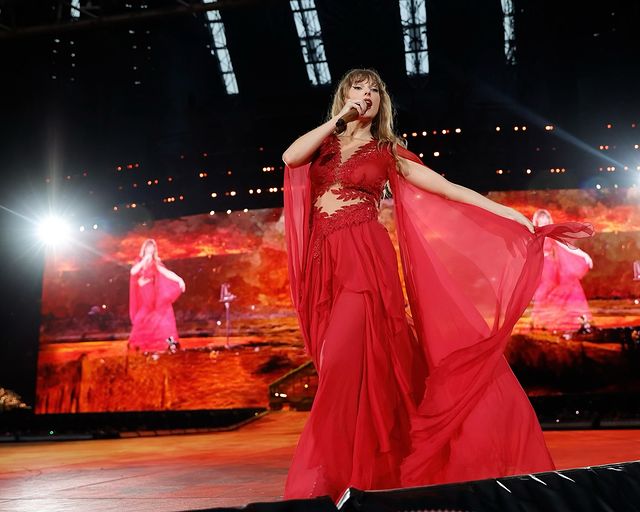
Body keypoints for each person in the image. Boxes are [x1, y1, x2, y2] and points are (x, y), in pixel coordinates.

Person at [281, 68, 593, 502]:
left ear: (381, 103)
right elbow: (290, 157)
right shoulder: (323, 145)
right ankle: (366, 477)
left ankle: (328, 481)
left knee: (342, 370)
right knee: (347, 368)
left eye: (374, 90)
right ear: (345, 95)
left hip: (365, 262)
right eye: (359, 88)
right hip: (322, 266)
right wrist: (337, 121)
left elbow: (447, 188)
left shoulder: (387, 151)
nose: (367, 95)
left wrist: (513, 216)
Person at [531, 209, 593, 333]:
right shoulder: (534, 235)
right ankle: (545, 324)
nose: (544, 222)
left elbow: (568, 247)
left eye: (546, 219)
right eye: (541, 220)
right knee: (546, 296)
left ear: (549, 220)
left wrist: (585, 255)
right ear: (537, 221)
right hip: (543, 270)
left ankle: (579, 321)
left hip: (554, 269)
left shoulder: (553, 234)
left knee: (571, 286)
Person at [129, 239, 186, 352]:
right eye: (148, 248)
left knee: (164, 319)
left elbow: (166, 272)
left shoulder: (155, 263)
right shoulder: (139, 261)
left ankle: (171, 342)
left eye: (152, 248)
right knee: (141, 319)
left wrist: (179, 280)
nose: (150, 250)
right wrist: (144, 261)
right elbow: (133, 272)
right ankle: (136, 344)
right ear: (144, 249)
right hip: (144, 297)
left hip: (154, 297)